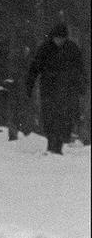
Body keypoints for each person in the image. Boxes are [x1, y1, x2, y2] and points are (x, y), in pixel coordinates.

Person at [26, 23, 86, 155]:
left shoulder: (72, 48)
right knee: (49, 117)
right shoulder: (45, 48)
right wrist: (29, 85)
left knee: (65, 118)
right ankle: (52, 144)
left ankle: (58, 144)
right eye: (57, 38)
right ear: (53, 37)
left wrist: (82, 85)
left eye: (62, 38)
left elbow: (80, 68)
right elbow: (35, 67)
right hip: (49, 89)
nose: (59, 41)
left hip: (67, 90)